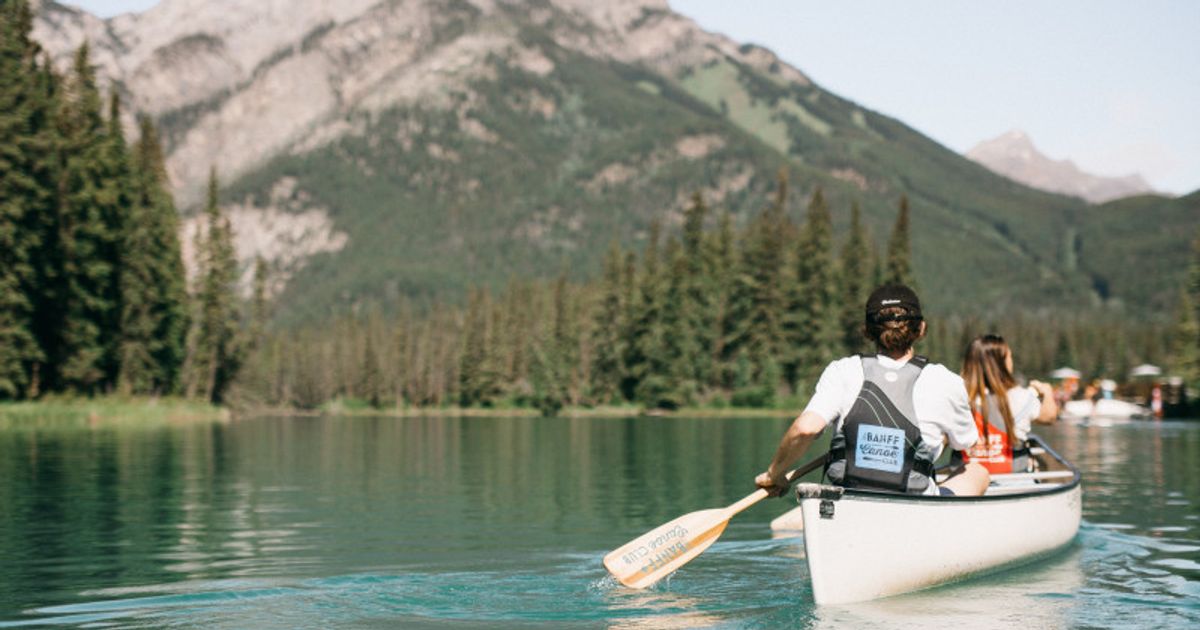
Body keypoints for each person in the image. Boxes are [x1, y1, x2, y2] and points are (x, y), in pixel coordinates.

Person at [754, 284, 989, 498]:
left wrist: (775, 474)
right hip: (914, 500)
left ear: (867, 331)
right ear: (921, 329)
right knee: (977, 471)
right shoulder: (946, 380)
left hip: (850, 497)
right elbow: (965, 443)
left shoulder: (842, 370)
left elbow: (805, 429)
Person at [959, 334, 1057, 474]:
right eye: (1009, 357)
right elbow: (1049, 417)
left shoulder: (957, 395)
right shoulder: (1022, 396)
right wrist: (1047, 392)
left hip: (966, 482)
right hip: (1013, 480)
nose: (1012, 361)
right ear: (1001, 363)